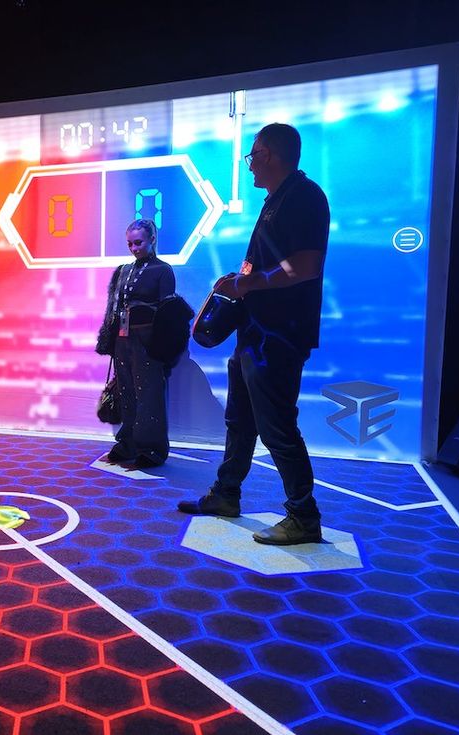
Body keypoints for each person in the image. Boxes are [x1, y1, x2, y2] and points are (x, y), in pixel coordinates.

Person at [178, 123, 330, 546]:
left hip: (279, 336)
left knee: (277, 426)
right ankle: (226, 494)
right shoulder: (276, 201)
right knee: (240, 421)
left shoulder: (304, 196)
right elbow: (271, 266)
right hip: (255, 332)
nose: (249, 166)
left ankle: (303, 516)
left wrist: (248, 284)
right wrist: (241, 280)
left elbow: (305, 266)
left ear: (273, 155)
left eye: (254, 155)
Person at [96, 218, 176, 468]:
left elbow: (168, 313)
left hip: (147, 341)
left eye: (138, 243)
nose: (134, 248)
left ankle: (152, 449)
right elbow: (114, 308)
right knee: (126, 391)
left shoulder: (163, 270)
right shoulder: (123, 270)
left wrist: (163, 348)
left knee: (149, 394)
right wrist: (110, 340)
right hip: (123, 340)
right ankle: (128, 443)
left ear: (152, 239)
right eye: (130, 244)